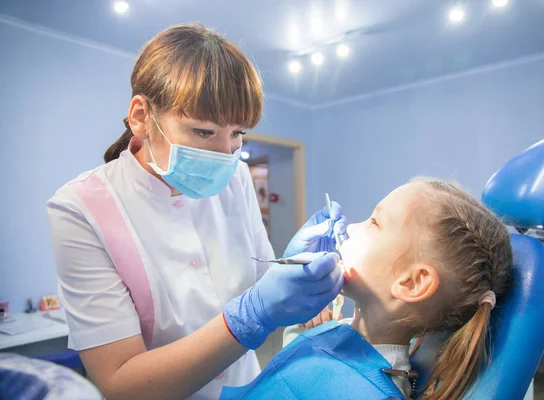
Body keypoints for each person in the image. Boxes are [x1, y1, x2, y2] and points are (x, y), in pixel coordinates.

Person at [45, 24, 346, 400]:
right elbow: (120, 383)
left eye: (238, 133)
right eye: (204, 133)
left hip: (247, 388)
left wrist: (295, 268)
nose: (226, 153)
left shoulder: (237, 175)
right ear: (141, 116)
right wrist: (247, 319)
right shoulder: (79, 209)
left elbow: (261, 276)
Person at [220, 178, 513, 400]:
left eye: (374, 222)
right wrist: (299, 338)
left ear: (412, 282)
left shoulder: (374, 391)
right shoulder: (336, 330)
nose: (350, 227)